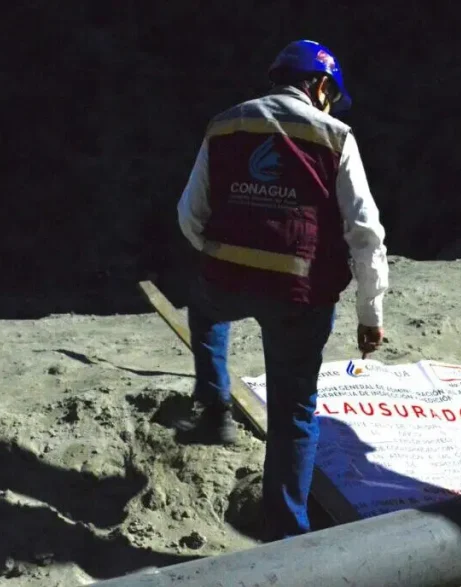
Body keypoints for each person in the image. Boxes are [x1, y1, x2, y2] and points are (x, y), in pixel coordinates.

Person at [175, 39, 388, 539]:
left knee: (203, 306)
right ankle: (285, 532)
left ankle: (214, 405)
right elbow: (365, 232)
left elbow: (189, 215)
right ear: (321, 86)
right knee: (294, 412)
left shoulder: (225, 125)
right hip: (299, 295)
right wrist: (370, 314)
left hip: (228, 282)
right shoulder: (335, 136)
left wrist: (220, 256)